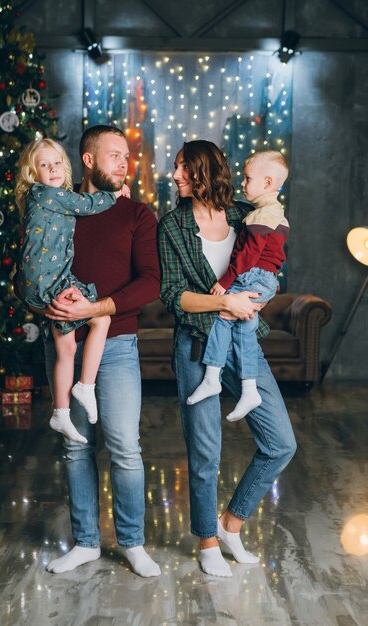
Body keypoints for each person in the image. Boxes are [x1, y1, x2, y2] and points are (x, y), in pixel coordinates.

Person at [158, 140, 296, 577]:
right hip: (196, 345)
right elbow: (171, 296)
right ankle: (207, 541)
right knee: (205, 452)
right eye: (175, 169)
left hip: (244, 342)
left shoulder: (246, 213)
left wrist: (248, 301)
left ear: (206, 172)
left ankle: (231, 524)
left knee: (281, 444)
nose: (175, 176)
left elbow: (270, 265)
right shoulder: (171, 226)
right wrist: (224, 304)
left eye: (183, 169)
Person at [31, 125, 161, 578]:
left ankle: (132, 542)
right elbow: (29, 262)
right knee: (75, 447)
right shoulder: (56, 206)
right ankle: (85, 542)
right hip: (66, 341)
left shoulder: (138, 215)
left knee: (125, 447)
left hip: (118, 344)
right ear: (88, 160)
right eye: (114, 155)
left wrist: (98, 307)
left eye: (126, 156)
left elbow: (151, 281)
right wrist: (42, 300)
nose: (124, 163)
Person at [15, 138, 116, 444]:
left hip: (42, 279)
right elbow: (88, 205)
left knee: (67, 348)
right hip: (47, 280)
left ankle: (61, 411)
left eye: (57, 162)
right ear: (33, 174)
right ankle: (85, 385)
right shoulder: (46, 193)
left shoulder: (45, 197)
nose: (53, 169)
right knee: (101, 319)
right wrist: (115, 194)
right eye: (44, 165)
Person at [187, 150, 289, 422]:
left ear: (267, 183)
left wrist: (225, 282)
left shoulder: (258, 217)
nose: (242, 184)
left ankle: (211, 377)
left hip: (253, 276)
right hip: (265, 278)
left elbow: (247, 257)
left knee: (222, 316)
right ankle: (249, 388)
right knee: (245, 327)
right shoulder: (273, 212)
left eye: (247, 178)